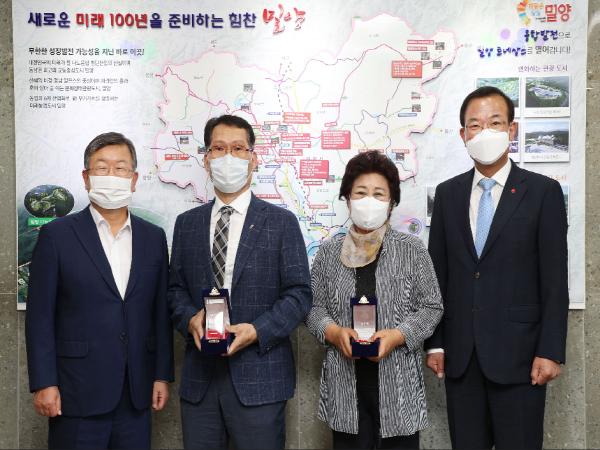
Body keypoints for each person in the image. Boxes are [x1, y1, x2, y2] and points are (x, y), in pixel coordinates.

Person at [424, 86, 569, 449]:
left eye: (495, 123)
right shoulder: (447, 194)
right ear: (463, 135)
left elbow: (554, 280)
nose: (484, 132)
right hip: (461, 357)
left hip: (522, 358)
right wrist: (435, 344)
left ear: (511, 130)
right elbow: (437, 276)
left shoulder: (542, 192)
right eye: (475, 125)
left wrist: (550, 350)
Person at [168, 114, 312, 450]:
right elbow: (174, 290)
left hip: (260, 378)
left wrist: (257, 330)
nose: (228, 157)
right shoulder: (187, 224)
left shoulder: (281, 222)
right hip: (200, 381)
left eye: (238, 148)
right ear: (206, 159)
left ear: (253, 158)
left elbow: (299, 294)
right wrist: (189, 319)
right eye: (219, 148)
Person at [25, 132, 174, 449]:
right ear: (86, 177)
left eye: (120, 168)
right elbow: (39, 317)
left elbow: (159, 313)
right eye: (102, 168)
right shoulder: (56, 236)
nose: (111, 175)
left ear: (134, 179)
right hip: (76, 392)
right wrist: (44, 382)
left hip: (136, 392)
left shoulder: (153, 237)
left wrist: (162, 374)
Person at [306, 150, 443, 449]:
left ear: (392, 202)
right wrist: (333, 331)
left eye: (379, 194)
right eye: (361, 192)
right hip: (345, 385)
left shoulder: (412, 250)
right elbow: (314, 308)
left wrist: (398, 335)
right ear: (347, 198)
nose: (369, 201)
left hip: (398, 386)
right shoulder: (328, 253)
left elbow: (431, 307)